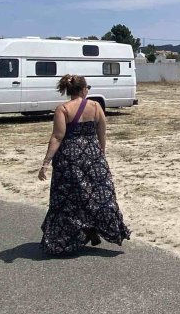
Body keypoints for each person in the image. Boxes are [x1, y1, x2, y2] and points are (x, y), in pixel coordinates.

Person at [38, 74, 130, 255]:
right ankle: (92, 228)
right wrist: (100, 154)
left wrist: (45, 163)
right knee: (97, 196)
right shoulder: (95, 106)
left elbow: (57, 137)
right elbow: (102, 133)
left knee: (69, 199)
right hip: (93, 156)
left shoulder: (63, 109)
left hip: (69, 158)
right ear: (83, 89)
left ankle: (68, 238)